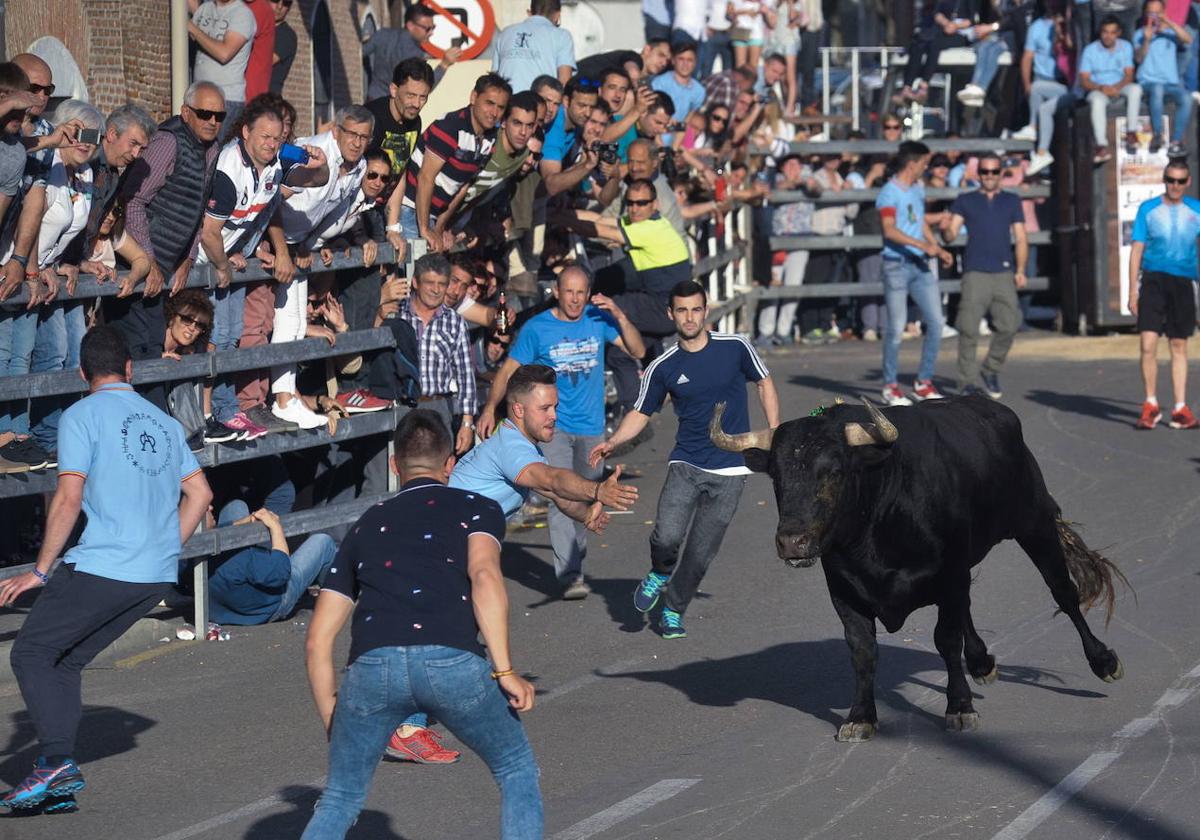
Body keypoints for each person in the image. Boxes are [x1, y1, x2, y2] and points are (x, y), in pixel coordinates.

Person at [301, 410, 541, 839]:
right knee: (515, 766)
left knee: (340, 797)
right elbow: (485, 577)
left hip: (372, 667)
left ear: (394, 464)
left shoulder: (366, 524)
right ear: (451, 463)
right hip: (452, 659)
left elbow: (319, 639)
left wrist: (332, 719)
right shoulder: (479, 508)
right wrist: (504, 670)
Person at [0, 325, 212, 812]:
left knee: (31, 653)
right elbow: (201, 494)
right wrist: (162, 547)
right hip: (155, 571)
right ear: (130, 369)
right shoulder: (162, 422)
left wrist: (40, 570)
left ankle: (54, 762)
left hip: (106, 564)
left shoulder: (81, 415)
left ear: (82, 372)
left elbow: (69, 497)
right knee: (65, 659)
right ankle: (55, 773)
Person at [589, 280, 778, 640]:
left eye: (695, 309)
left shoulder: (736, 347)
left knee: (700, 554)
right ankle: (659, 571)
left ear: (706, 311)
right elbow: (641, 411)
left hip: (732, 469)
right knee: (666, 535)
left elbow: (764, 382)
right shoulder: (664, 366)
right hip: (686, 464)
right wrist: (612, 441)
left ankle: (673, 609)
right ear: (670, 314)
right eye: (682, 310)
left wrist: (774, 430)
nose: (689, 317)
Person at [477, 266, 645, 598]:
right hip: (553, 427)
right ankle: (569, 574)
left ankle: (574, 560)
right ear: (556, 290)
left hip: (592, 427)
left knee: (588, 493)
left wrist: (619, 316)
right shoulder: (537, 329)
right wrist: (489, 409)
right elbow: (508, 371)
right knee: (561, 493)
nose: (575, 299)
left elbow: (638, 351)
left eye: (581, 292)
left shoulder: (597, 320)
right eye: (568, 291)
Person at [199, 99, 328, 442]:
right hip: (207, 260)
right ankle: (209, 414)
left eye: (277, 138)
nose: (272, 143)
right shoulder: (230, 169)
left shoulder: (275, 160)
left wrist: (321, 164)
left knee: (230, 336)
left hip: (230, 256)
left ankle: (228, 412)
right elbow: (209, 233)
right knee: (217, 337)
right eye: (265, 136)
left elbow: (316, 178)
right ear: (245, 132)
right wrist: (224, 262)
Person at [116, 82, 226, 386]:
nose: (212, 121)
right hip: (135, 264)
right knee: (139, 351)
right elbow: (133, 200)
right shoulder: (168, 141)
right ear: (186, 112)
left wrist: (188, 257)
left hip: (165, 269)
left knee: (155, 346)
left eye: (219, 116)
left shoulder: (212, 148)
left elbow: (198, 208)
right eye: (205, 113)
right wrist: (147, 259)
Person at [271, 105, 372, 430]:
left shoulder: (360, 167)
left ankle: (288, 397)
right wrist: (280, 247)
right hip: (273, 237)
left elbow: (334, 215)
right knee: (283, 324)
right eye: (351, 134)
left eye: (364, 137)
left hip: (302, 244)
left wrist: (310, 245)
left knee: (297, 321)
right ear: (336, 131)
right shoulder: (310, 150)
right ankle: (282, 400)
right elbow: (273, 197)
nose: (357, 142)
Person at [941, 152, 1028, 399]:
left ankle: (991, 369)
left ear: (1001, 173)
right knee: (968, 329)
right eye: (984, 172)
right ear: (978, 174)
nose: (989, 176)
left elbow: (1021, 238)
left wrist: (1020, 270)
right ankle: (966, 381)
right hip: (975, 271)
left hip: (1003, 271)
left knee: (1010, 325)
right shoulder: (965, 200)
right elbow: (951, 234)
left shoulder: (1011, 201)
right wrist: (946, 229)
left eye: (994, 171)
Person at [396, 73, 509, 252]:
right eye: (489, 103)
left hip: (430, 215)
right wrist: (425, 228)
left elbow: (462, 187)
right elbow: (425, 177)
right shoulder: (451, 126)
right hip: (408, 208)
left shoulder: (490, 139)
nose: (494, 112)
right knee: (411, 274)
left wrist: (439, 228)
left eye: (501, 107)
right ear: (474, 97)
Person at [876, 140, 952, 406]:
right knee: (896, 328)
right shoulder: (888, 192)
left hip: (919, 265)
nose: (926, 168)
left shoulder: (918, 189)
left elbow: (918, 221)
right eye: (924, 163)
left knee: (936, 322)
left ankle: (923, 381)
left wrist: (936, 248)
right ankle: (890, 385)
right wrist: (922, 245)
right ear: (912, 164)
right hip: (896, 264)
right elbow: (889, 230)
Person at [1128, 160, 1200, 429]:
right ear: (1164, 179)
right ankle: (1151, 403)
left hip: (1183, 281)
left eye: (1180, 181)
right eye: (1171, 180)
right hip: (1153, 281)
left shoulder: (1196, 210)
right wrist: (1132, 290)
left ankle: (1180, 408)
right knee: (1148, 344)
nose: (1175, 186)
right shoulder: (1148, 210)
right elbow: (1136, 249)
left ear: (1188, 182)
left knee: (1179, 344)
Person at [205, 501, 336, 625]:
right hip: (268, 608)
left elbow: (218, 531)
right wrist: (275, 527)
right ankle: (335, 596)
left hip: (217, 609)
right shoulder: (244, 558)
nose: (210, 507)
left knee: (236, 506)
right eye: (204, 508)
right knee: (323, 541)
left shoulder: (189, 543)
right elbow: (282, 573)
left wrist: (243, 522)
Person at [397, 254, 477, 454]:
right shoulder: (397, 313)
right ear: (415, 282)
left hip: (439, 407)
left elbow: (466, 374)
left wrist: (467, 424)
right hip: (401, 406)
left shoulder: (455, 321)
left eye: (442, 284)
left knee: (440, 472)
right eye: (430, 282)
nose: (435, 289)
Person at [361, 3, 460, 101]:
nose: (431, 33)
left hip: (373, 100)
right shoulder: (416, 54)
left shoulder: (383, 34)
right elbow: (423, 88)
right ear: (410, 25)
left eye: (433, 27)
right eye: (427, 29)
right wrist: (444, 64)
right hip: (393, 106)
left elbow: (360, 53)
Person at [1134, 0, 1194, 156]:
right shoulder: (1139, 34)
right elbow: (1138, 59)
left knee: (1186, 97)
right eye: (1150, 13)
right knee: (1157, 89)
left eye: (1157, 12)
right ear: (1145, 14)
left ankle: (1175, 142)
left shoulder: (1171, 33)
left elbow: (1188, 40)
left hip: (1170, 84)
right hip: (1148, 83)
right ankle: (1157, 134)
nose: (1154, 16)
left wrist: (1168, 22)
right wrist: (1147, 40)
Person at [1078, 15, 1141, 163]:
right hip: (1098, 89)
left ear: (1118, 33)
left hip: (1120, 86)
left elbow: (1129, 75)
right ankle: (1101, 146)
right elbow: (1084, 80)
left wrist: (1117, 87)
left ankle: (1131, 133)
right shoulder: (1090, 50)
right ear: (1100, 32)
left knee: (1136, 89)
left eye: (1112, 32)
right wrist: (1101, 87)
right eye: (1105, 32)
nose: (1108, 36)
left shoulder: (1125, 46)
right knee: (1097, 102)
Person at [1016, 8, 1072, 175]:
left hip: (1070, 88)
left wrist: (1063, 34)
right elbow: (1030, 56)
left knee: (1037, 88)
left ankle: (1034, 130)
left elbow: (1068, 52)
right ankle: (1042, 154)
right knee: (1043, 109)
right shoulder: (1040, 29)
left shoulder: (1070, 50)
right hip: (1049, 82)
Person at [189, 0, 257, 129]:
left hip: (226, 99)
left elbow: (224, 53)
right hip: (199, 96)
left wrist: (193, 29)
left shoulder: (242, 14)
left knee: (217, 148)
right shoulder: (205, 8)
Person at [365, 57, 433, 180]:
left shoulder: (415, 123)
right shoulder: (370, 118)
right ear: (394, 90)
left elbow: (401, 171)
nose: (416, 104)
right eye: (411, 95)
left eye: (423, 97)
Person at [492, 0, 577, 93]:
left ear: (529, 13)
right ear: (557, 15)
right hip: (539, 103)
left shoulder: (505, 33)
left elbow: (494, 77)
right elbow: (565, 81)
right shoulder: (562, 35)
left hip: (507, 101)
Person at [651, 41, 706, 127]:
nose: (685, 64)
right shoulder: (659, 83)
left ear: (695, 63)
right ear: (673, 61)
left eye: (690, 60)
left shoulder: (699, 91)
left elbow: (690, 119)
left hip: (680, 133)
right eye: (681, 59)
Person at [268, 0, 297, 94]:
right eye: (275, 0)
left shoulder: (287, 35)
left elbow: (264, 61)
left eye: (286, 3)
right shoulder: (256, 26)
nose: (279, 7)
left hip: (267, 99)